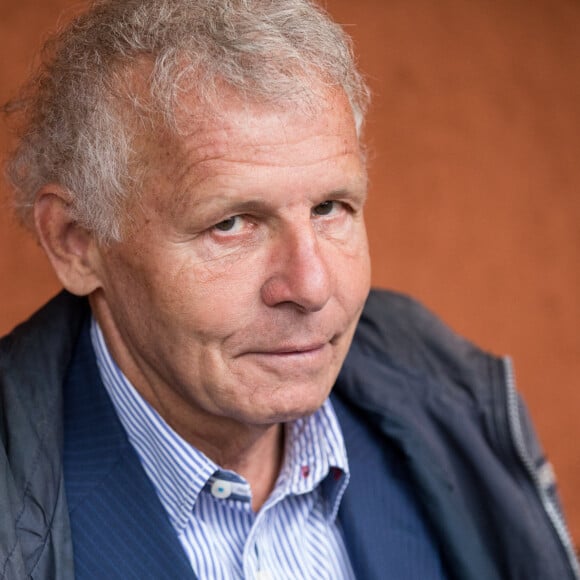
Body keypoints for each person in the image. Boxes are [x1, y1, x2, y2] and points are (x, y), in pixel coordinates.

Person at [0, 0, 577, 578]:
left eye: (330, 208)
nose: (312, 286)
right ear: (77, 242)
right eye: (231, 223)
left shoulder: (453, 408)